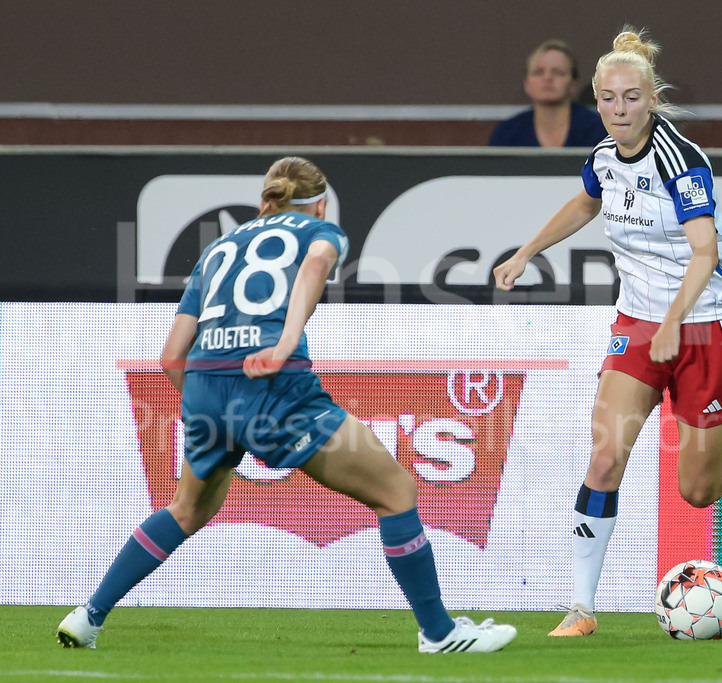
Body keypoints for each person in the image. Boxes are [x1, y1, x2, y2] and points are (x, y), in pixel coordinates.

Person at [57, 157, 517, 654]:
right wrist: (282, 345)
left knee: (187, 508)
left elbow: (171, 355)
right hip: (274, 386)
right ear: (319, 202)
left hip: (205, 386)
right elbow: (317, 262)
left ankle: (89, 616)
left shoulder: (216, 248)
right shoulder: (322, 231)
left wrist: (206, 406)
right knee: (396, 490)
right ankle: (440, 633)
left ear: (264, 201)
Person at [493, 28, 722, 637]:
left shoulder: (681, 161)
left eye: (630, 98)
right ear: (594, 101)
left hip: (703, 328)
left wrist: (674, 323)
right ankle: (581, 608)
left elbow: (703, 253)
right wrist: (525, 252)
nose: (618, 110)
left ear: (652, 100)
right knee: (605, 455)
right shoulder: (602, 157)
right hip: (636, 326)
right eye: (607, 99)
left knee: (698, 492)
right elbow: (586, 202)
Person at [489, 39, 607, 148]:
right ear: (526, 84)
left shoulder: (598, 129)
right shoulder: (507, 132)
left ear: (573, 84)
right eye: (538, 72)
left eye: (558, 72)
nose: (548, 78)